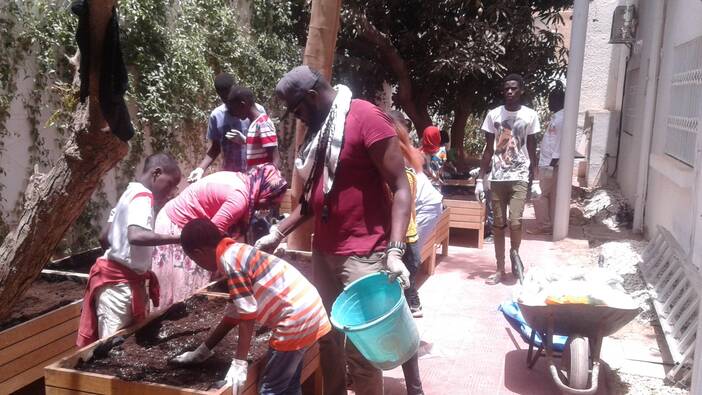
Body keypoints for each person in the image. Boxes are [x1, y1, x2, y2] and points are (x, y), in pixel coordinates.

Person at [255, 65, 412, 395]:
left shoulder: (365, 118)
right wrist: (278, 232)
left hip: (364, 256)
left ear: (312, 97)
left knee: (362, 352)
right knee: (326, 339)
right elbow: (316, 198)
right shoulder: (322, 130)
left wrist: (396, 251)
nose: (297, 119)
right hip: (325, 252)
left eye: (298, 110)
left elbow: (401, 186)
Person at [172, 218, 331, 394]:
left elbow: (247, 315)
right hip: (309, 309)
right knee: (289, 384)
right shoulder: (237, 251)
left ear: (198, 253)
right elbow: (234, 314)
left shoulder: (230, 262)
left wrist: (239, 363)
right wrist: (203, 350)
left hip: (295, 320)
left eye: (194, 260)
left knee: (270, 389)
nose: (198, 265)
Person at [77, 154, 182, 347]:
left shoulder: (129, 193)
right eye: (171, 184)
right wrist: (181, 238)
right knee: (113, 349)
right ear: (156, 173)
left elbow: (104, 236)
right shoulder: (143, 197)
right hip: (119, 288)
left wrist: (121, 257)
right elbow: (136, 236)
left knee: (124, 345)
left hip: (117, 283)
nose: (171, 192)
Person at [152, 165, 288, 310]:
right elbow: (209, 237)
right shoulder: (239, 198)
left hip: (191, 227)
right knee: (187, 297)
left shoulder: (244, 182)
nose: (267, 208)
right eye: (269, 201)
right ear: (263, 190)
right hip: (180, 227)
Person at [475, 73, 540, 285]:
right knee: (498, 224)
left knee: (515, 221)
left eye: (513, 88)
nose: (509, 92)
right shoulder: (493, 115)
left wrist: (536, 179)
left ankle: (515, 256)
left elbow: (532, 148)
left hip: (520, 175)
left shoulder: (530, 115)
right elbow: (487, 149)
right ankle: (499, 269)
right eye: (506, 89)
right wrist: (480, 179)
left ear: (521, 90)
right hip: (497, 177)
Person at [187, 73, 266, 182]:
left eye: (230, 98)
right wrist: (200, 169)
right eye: (225, 99)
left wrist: (245, 141)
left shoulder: (256, 111)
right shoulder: (216, 116)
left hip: (255, 174)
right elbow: (215, 147)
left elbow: (267, 142)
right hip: (231, 176)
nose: (229, 103)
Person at [531, 87, 565, 235]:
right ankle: (548, 223)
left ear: (558, 101)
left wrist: (551, 166)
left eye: (551, 100)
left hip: (550, 164)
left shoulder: (562, 119)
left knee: (538, 194)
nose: (549, 103)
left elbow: (559, 143)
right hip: (546, 162)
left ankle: (544, 225)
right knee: (546, 196)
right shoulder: (557, 118)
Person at [226, 85, 280, 168]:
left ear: (242, 105)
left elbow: (275, 160)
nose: (235, 116)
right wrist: (245, 140)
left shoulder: (262, 123)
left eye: (235, 110)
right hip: (255, 178)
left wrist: (268, 179)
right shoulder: (253, 124)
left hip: (263, 179)